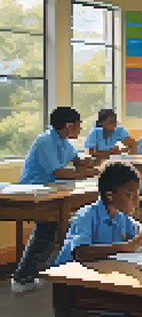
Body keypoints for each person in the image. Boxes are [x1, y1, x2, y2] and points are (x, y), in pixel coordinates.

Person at [12, 107, 99, 293]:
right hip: (33, 194)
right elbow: (59, 172)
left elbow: (77, 161)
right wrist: (87, 173)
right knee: (48, 229)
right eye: (78, 124)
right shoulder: (46, 141)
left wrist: (91, 162)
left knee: (59, 228)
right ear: (68, 126)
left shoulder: (62, 140)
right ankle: (23, 277)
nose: (81, 128)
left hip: (52, 192)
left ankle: (35, 273)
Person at [53, 162, 142, 266]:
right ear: (110, 196)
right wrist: (124, 247)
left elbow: (136, 228)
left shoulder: (121, 217)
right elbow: (81, 253)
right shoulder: (86, 216)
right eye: (130, 196)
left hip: (96, 273)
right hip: (68, 277)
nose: (136, 203)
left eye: (138, 196)